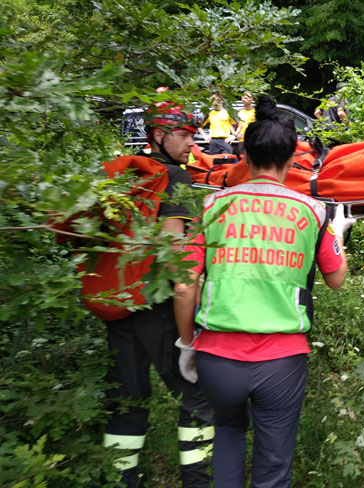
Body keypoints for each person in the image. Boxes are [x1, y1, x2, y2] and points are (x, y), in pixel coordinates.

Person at [173, 95, 353, 488]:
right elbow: (337, 280)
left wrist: (187, 344)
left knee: (229, 434)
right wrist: (338, 234)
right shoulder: (313, 212)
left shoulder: (213, 206)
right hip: (282, 362)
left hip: (217, 358)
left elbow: (184, 284)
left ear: (244, 157)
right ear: (291, 161)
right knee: (274, 466)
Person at [104, 102, 214, 488]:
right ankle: (197, 482)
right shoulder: (175, 179)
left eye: (193, 135)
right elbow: (174, 256)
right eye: (183, 135)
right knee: (197, 397)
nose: (191, 143)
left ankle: (123, 480)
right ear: (157, 136)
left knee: (128, 400)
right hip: (157, 307)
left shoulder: (128, 175)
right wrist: (188, 333)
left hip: (119, 304)